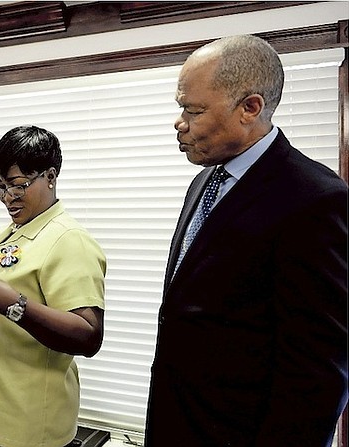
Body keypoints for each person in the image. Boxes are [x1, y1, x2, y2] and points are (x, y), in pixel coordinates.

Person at [145, 35, 348, 446]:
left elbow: (318, 373)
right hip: (177, 423)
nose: (178, 121)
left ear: (249, 108)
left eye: (193, 110)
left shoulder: (316, 199)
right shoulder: (204, 180)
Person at [0, 125, 106, 447]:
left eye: (17, 186)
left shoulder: (69, 241)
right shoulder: (8, 234)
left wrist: (13, 304)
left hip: (24, 429)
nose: (7, 198)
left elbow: (89, 336)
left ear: (51, 177)